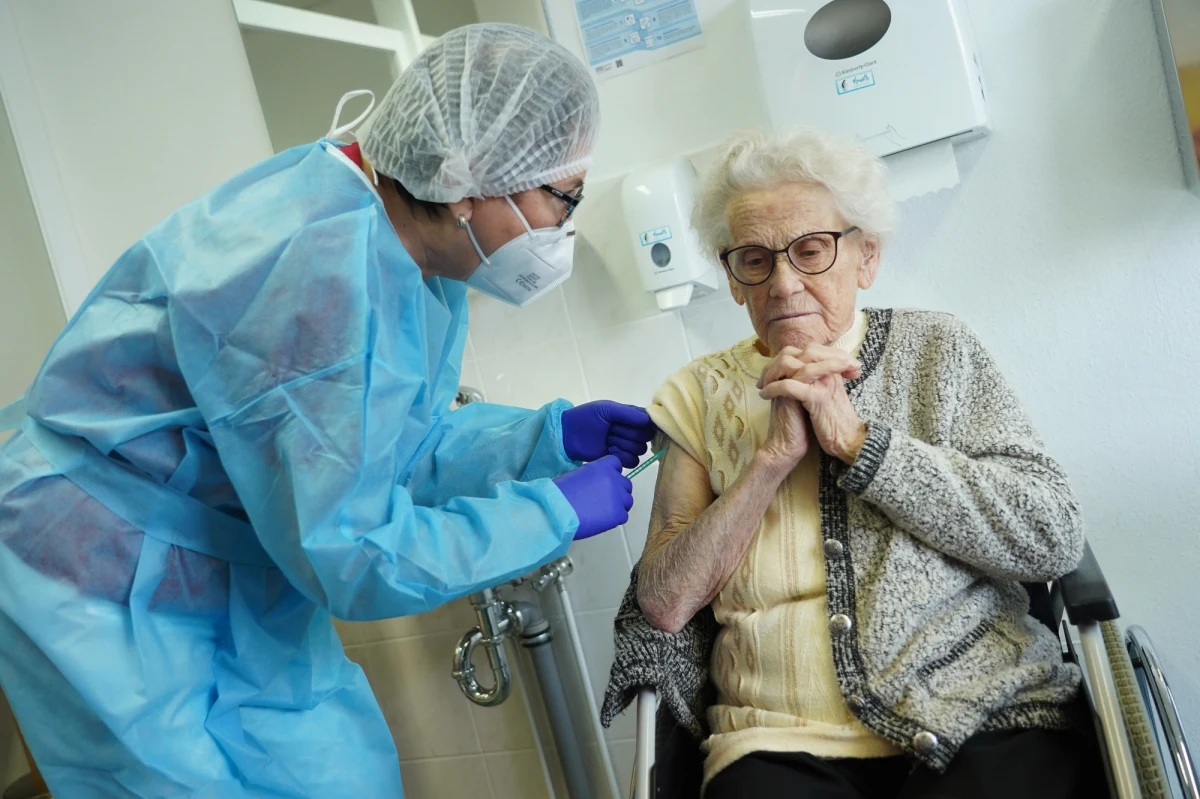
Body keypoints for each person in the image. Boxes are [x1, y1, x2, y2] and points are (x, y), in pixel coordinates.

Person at [0, 23, 655, 799]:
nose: (562, 228)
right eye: (560, 196)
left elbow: (387, 445)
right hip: (95, 569)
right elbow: (356, 553)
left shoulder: (406, 248)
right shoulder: (319, 275)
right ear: (469, 181)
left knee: (341, 775)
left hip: (219, 550)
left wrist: (539, 439)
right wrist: (545, 513)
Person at [601, 127, 1100, 798]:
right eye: (753, 258)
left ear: (866, 256)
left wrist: (862, 444)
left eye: (810, 250)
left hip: (977, 707)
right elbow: (664, 601)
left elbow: (1051, 533)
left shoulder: (939, 352)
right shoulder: (698, 394)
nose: (783, 283)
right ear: (733, 278)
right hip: (775, 739)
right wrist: (770, 462)